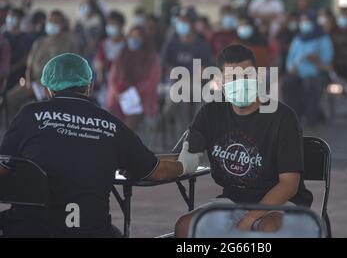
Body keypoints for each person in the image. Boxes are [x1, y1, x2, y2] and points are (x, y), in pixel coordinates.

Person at [0, 53, 201, 238]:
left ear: (48, 89)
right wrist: (185, 165)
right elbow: (155, 170)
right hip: (91, 231)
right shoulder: (111, 124)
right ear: (89, 86)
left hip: (26, 229)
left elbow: (3, 166)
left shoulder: (29, 114)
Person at [174, 45, 312, 238]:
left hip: (281, 203)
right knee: (186, 226)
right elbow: (186, 160)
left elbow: (289, 185)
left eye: (247, 76)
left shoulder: (282, 118)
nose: (241, 83)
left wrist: (250, 219)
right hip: (232, 200)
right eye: (232, 78)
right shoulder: (210, 113)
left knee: (270, 228)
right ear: (220, 82)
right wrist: (148, 167)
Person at [7, 10, 80, 117]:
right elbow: (30, 65)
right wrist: (28, 80)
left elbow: (73, 68)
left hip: (57, 87)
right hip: (35, 83)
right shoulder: (39, 42)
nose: (52, 24)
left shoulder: (69, 44)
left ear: (62, 24)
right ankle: (16, 128)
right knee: (10, 98)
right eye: (50, 21)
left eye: (56, 22)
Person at [106, 25, 161, 130]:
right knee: (111, 116)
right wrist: (118, 92)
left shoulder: (152, 58)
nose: (134, 40)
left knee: (129, 122)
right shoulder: (122, 55)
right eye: (131, 36)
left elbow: (152, 82)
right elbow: (113, 78)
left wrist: (132, 92)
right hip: (120, 96)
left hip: (141, 98)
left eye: (138, 37)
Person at [285, 14, 334, 125]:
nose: (303, 24)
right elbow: (290, 57)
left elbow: (327, 59)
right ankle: (293, 116)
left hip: (316, 71)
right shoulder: (298, 39)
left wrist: (316, 60)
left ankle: (312, 117)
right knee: (288, 84)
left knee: (312, 85)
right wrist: (291, 68)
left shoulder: (323, 38)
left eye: (306, 21)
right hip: (297, 72)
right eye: (302, 21)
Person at [2, 8, 34, 91]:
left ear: (19, 19)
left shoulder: (26, 38)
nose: (10, 18)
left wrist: (13, 67)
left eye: (13, 16)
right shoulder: (3, 35)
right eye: (9, 15)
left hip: (18, 75)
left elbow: (28, 56)